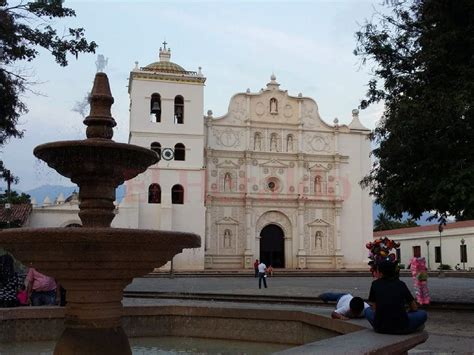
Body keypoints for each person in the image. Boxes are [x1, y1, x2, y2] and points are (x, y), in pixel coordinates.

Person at [365, 260, 427, 334]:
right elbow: (414, 307)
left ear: (381, 273)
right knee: (422, 313)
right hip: (402, 327)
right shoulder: (401, 284)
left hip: (380, 327)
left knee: (367, 311)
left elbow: (374, 309)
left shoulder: (375, 284)